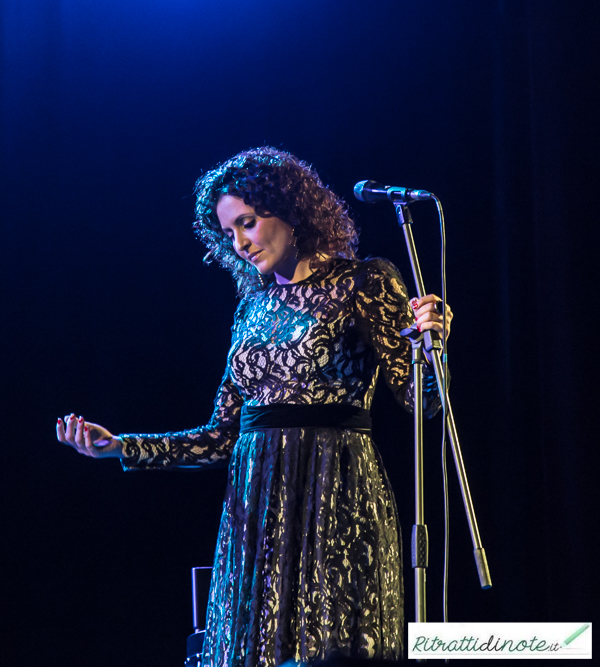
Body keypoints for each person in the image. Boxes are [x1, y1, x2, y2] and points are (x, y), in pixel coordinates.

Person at [55, 146, 452, 667]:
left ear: (289, 209)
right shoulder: (252, 305)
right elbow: (223, 436)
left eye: (247, 222)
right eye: (228, 233)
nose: (240, 243)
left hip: (335, 493)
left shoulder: (366, 280)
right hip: (256, 506)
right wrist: (121, 447)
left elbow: (423, 405)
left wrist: (434, 344)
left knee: (327, 652)